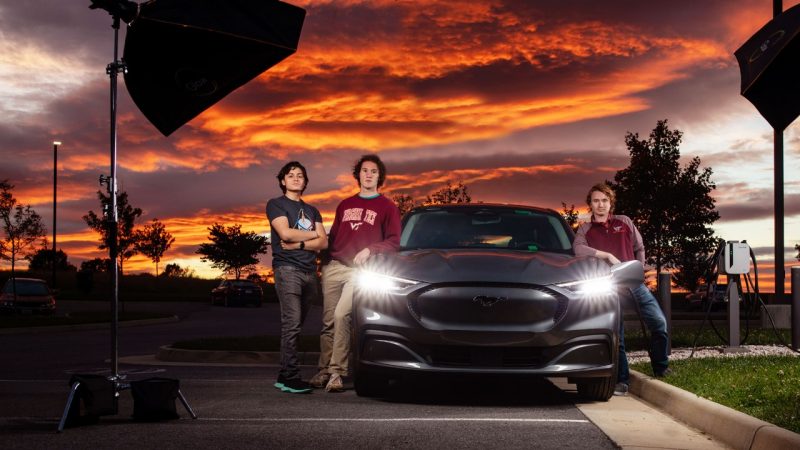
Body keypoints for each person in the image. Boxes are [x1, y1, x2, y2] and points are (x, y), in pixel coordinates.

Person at [309, 154, 402, 392]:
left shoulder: (387, 206)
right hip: (335, 268)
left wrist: (371, 249)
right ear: (358, 175)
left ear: (379, 176)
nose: (368, 174)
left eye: (373, 171)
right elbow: (333, 237)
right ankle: (324, 369)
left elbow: (394, 241)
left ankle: (337, 373)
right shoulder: (345, 205)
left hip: (359, 272)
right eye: (364, 170)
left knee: (342, 316)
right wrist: (324, 263)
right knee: (328, 321)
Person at [573, 182, 670, 396]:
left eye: (605, 200)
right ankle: (622, 381)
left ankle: (661, 367)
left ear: (611, 203)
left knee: (659, 323)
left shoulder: (624, 222)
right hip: (609, 287)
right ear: (590, 204)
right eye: (596, 201)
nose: (601, 205)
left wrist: (639, 269)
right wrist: (605, 255)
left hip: (633, 282)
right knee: (619, 335)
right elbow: (578, 249)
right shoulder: (585, 228)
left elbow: (639, 247)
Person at [266, 161, 328, 394]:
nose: (295, 178)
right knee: (291, 325)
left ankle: (284, 374)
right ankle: (291, 377)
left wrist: (300, 243)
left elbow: (324, 243)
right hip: (287, 270)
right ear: (283, 181)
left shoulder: (313, 210)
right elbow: (285, 233)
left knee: (296, 326)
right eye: (290, 175)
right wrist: (314, 233)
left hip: (310, 273)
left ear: (305, 182)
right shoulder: (276, 204)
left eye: (300, 175)